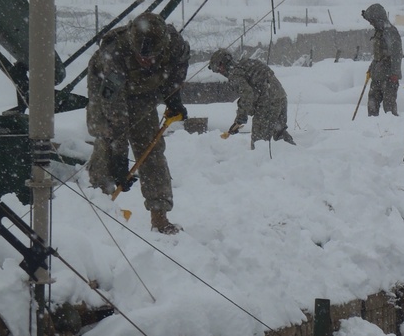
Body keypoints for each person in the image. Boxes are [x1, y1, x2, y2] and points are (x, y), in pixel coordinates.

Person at [86, 12, 190, 234]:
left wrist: (173, 97)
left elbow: (180, 66)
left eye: (151, 56)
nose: (145, 60)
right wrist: (120, 161)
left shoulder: (174, 44)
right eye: (140, 56)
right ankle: (97, 209)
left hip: (142, 91)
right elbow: (116, 117)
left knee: (151, 149)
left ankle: (159, 216)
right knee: (107, 144)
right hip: (106, 93)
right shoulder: (113, 55)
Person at [208, 49, 295, 147]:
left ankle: (259, 161)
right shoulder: (247, 63)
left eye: (218, 69)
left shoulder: (235, 74)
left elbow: (247, 95)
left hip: (268, 103)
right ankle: (295, 155)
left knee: (259, 142)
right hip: (281, 97)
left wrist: (240, 119)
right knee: (279, 132)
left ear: (221, 65)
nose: (220, 72)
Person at [361, 3, 403, 116]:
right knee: (372, 104)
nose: (371, 23)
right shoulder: (379, 32)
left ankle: (389, 130)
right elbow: (378, 56)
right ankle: (373, 127)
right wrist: (371, 69)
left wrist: (395, 73)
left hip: (389, 77)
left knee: (389, 108)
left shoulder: (390, 32)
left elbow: (396, 54)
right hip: (377, 75)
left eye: (372, 20)